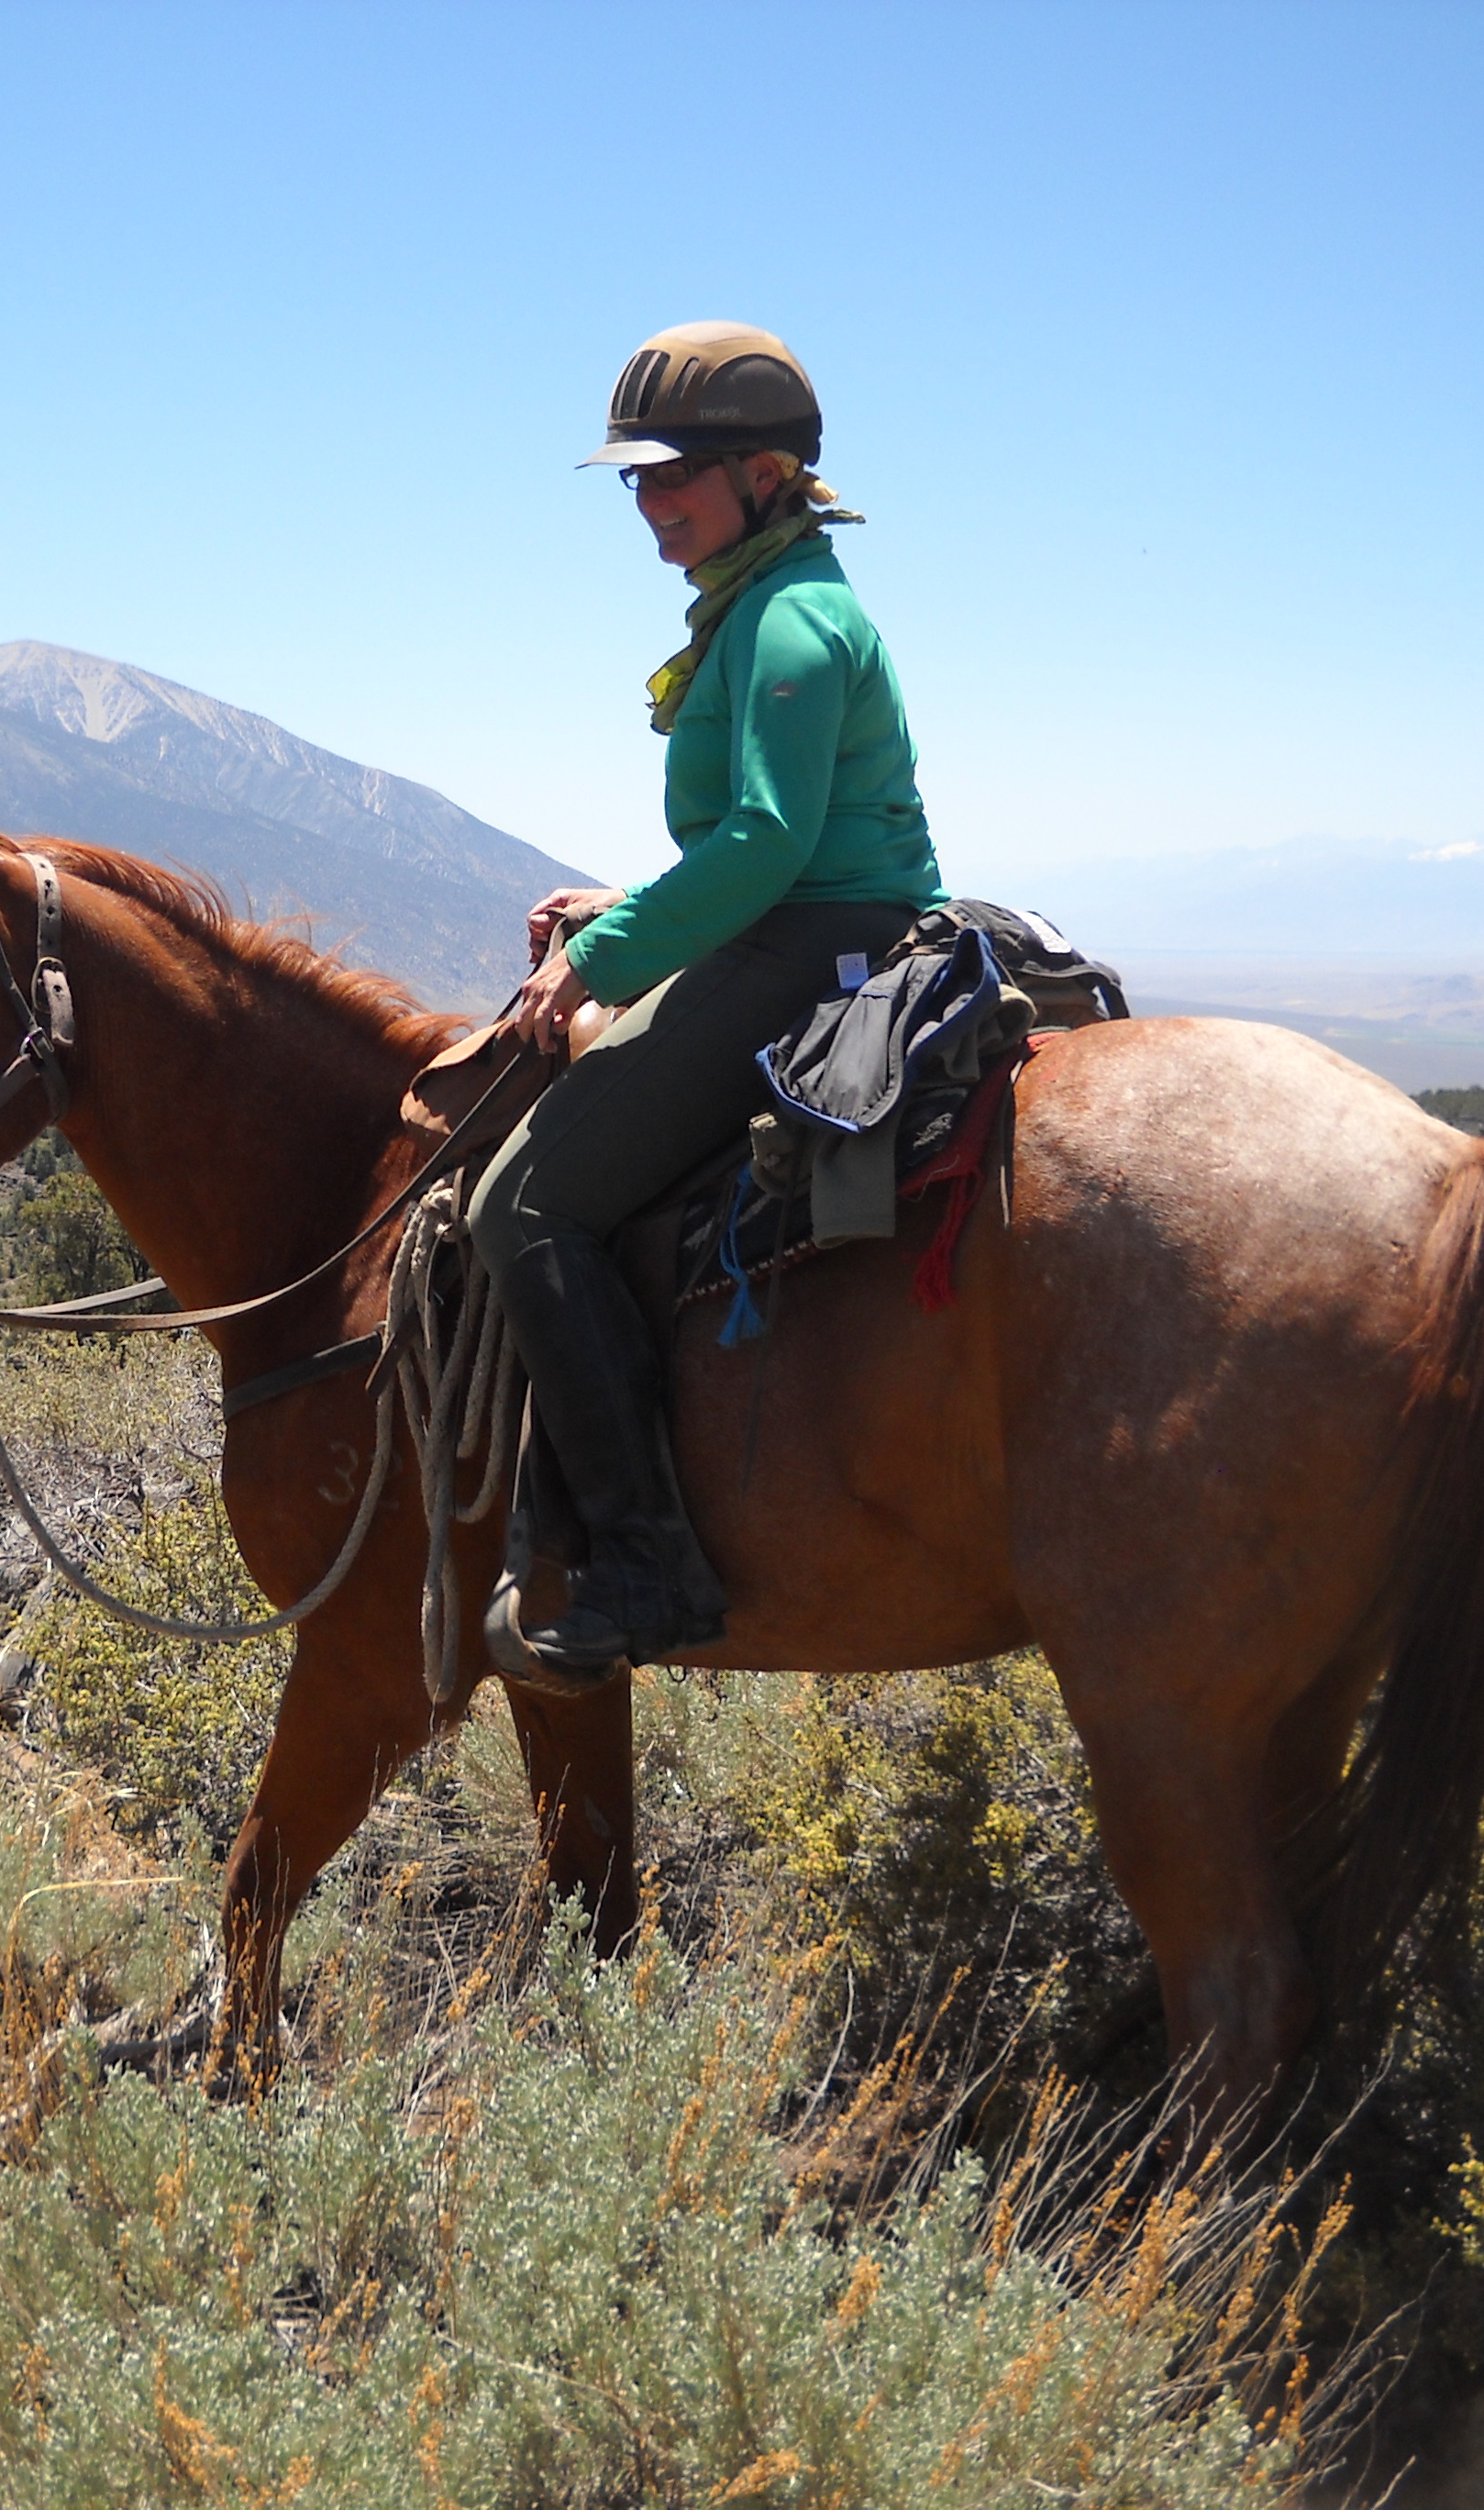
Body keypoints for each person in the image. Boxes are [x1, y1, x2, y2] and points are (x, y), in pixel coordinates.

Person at [475, 319, 949, 1681]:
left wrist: (600, 957)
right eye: (634, 480)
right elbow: (761, 841)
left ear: (767, 472)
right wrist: (615, 906)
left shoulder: (793, 619)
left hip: (807, 937)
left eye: (672, 473)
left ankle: (644, 1564)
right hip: (807, 918)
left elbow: (770, 845)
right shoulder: (770, 602)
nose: (648, 503)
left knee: (530, 1203)